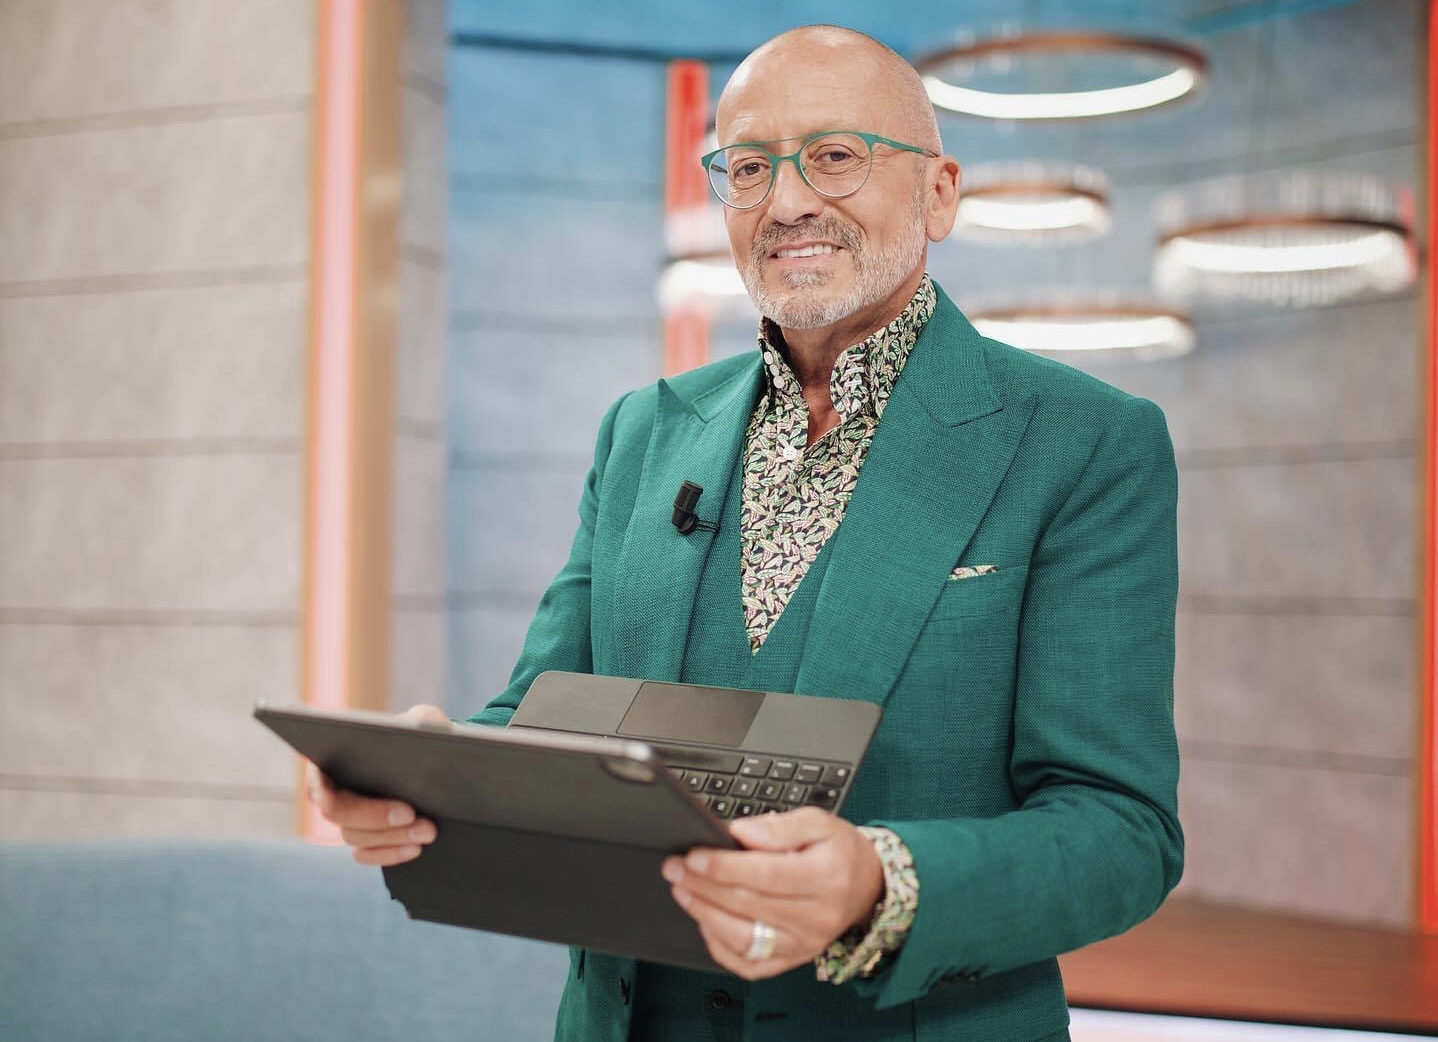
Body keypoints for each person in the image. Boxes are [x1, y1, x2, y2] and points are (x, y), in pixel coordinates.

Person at [310, 23, 1182, 1042]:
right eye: (751, 166)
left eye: (836, 155)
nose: (789, 201)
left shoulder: (1085, 442)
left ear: (939, 191)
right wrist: (437, 780)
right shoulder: (641, 432)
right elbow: (546, 718)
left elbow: (1122, 832)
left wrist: (879, 881)